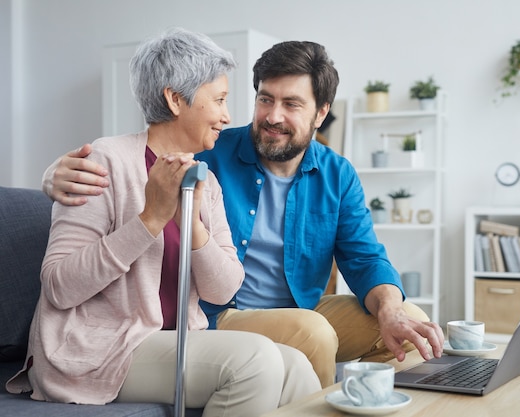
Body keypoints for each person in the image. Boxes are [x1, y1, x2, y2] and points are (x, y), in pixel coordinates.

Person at [42, 39, 445, 388]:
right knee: (315, 332)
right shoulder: (211, 149)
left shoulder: (337, 175)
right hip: (225, 314)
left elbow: (364, 257)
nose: (273, 116)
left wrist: (390, 309)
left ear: (321, 114)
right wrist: (51, 175)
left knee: (408, 320)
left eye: (291, 104)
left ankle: (369, 403)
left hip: (301, 308)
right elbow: (144, 155)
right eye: (265, 99)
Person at [7, 28, 320, 416]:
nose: (227, 115)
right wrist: (150, 219)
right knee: (254, 361)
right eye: (219, 100)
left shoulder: (206, 179)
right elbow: (59, 286)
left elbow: (223, 290)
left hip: (169, 340)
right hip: (97, 348)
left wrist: (193, 228)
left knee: (297, 369)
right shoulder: (103, 163)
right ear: (175, 99)